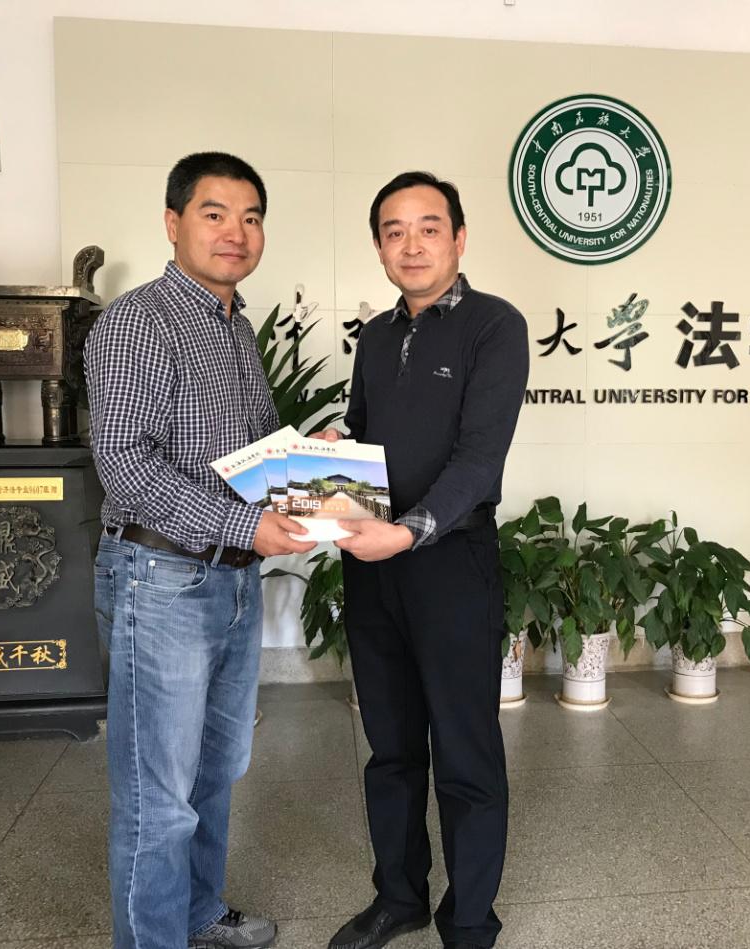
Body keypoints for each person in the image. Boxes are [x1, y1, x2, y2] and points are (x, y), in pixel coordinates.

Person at [85, 151, 314, 949]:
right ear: (172, 222)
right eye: (214, 213)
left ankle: (196, 912)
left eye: (251, 217)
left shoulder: (234, 326)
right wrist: (246, 528)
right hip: (161, 579)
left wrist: (311, 459)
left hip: (230, 582)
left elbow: (252, 454)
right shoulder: (138, 321)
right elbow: (124, 462)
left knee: (215, 771)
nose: (235, 232)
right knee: (158, 794)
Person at [315, 171, 529, 949]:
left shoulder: (494, 326)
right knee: (391, 746)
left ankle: (469, 919)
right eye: (393, 231)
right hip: (372, 562)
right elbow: (365, 429)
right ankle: (399, 895)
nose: (411, 244)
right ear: (379, 247)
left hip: (449, 562)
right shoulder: (376, 336)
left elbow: (478, 459)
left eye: (428, 227)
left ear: (458, 238)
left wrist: (409, 532)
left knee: (464, 750)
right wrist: (335, 445)